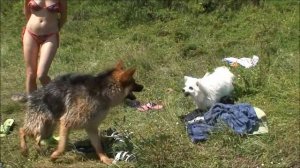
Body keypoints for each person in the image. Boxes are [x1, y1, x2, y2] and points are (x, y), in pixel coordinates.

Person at [11, 0, 67, 102]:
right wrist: (32, 25)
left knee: (42, 74)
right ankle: (33, 104)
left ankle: (58, 99)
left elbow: (63, 16)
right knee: (31, 73)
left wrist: (55, 28)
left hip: (50, 35)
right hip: (30, 33)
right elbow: (27, 10)